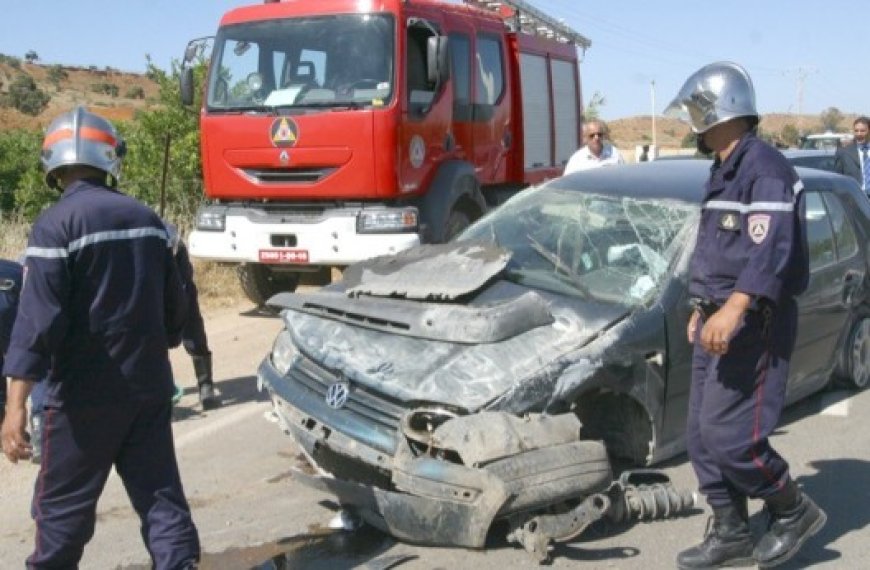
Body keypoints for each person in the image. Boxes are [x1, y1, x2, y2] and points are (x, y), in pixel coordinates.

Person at [0, 107, 201, 569]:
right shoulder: (150, 221)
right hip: (148, 388)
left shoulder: (55, 225)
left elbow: (37, 324)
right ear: (110, 158)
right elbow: (176, 316)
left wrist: (14, 409)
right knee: (160, 501)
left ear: (53, 163)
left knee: (61, 513)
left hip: (80, 401)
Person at [663, 62, 825, 569]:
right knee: (701, 437)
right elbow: (716, 251)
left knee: (733, 439)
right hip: (717, 320)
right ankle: (731, 530)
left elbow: (770, 251)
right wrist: (701, 306)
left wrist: (733, 308)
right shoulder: (724, 170)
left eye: (697, 113)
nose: (693, 124)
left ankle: (791, 508)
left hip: (753, 323)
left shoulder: (766, 169)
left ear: (722, 111)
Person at [165, 223, 221, 410]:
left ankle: (206, 385)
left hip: (178, 276)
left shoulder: (171, 240)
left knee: (193, 329)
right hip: (150, 283)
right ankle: (164, 390)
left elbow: (183, 281)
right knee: (153, 339)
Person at [834, 116, 870, 194]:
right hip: (855, 199)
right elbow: (838, 178)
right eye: (856, 131)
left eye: (863, 131)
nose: (859, 134)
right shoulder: (844, 152)